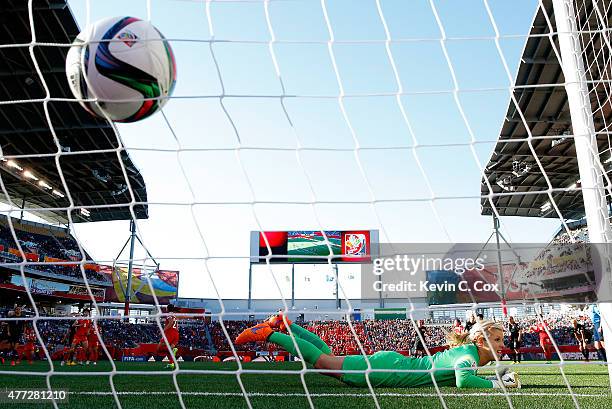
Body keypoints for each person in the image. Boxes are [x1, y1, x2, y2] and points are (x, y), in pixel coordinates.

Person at [235, 312, 520, 389]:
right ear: (482, 341)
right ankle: (271, 333)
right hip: (388, 372)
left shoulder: (470, 352)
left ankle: (285, 325)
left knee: (328, 356)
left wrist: (499, 374)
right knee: (322, 361)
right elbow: (463, 380)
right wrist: (498, 384)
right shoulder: (469, 355)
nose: (501, 345)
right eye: (497, 340)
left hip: (393, 365)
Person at [157, 304, 179, 369]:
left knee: (159, 348)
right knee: (171, 350)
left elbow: (171, 322)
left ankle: (172, 351)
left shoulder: (169, 314)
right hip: (176, 333)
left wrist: (163, 330)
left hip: (170, 333)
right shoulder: (174, 316)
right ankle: (171, 364)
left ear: (168, 308)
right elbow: (176, 325)